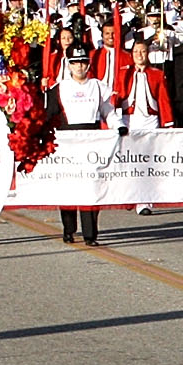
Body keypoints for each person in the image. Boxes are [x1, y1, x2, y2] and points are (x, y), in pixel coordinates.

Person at [46, 48, 109, 244]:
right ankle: (69, 229)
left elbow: (109, 112)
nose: (79, 66)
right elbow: (49, 115)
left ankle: (91, 234)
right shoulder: (59, 87)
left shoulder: (99, 86)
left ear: (88, 64)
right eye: (75, 63)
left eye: (82, 62)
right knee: (68, 186)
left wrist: (120, 127)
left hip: (92, 140)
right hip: (68, 141)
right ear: (69, 65)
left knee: (91, 187)